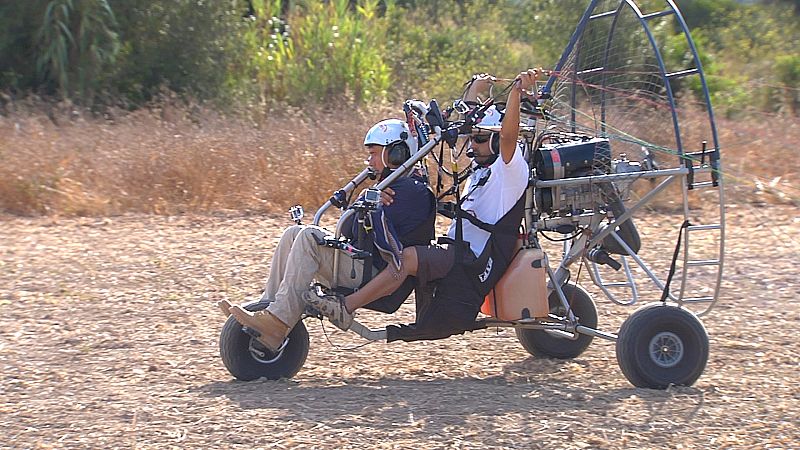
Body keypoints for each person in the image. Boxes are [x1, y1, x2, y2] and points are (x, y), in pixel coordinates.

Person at [305, 69, 540, 335]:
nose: (471, 146)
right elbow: (474, 121)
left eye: (479, 140)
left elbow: (508, 136)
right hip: (456, 250)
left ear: (497, 140)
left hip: (472, 260)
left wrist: (516, 94)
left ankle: (345, 307)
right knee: (407, 248)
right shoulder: (482, 166)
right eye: (471, 139)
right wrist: (476, 88)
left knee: (407, 258)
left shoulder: (510, 172)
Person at [219, 118, 435, 351]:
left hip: (374, 272)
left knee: (309, 237)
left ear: (396, 154)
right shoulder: (386, 186)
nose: (368, 161)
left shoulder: (413, 190)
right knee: (295, 232)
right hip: (361, 262)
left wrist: (366, 200)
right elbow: (353, 227)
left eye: (374, 153)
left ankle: (277, 322)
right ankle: (270, 310)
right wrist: (366, 199)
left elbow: (358, 229)